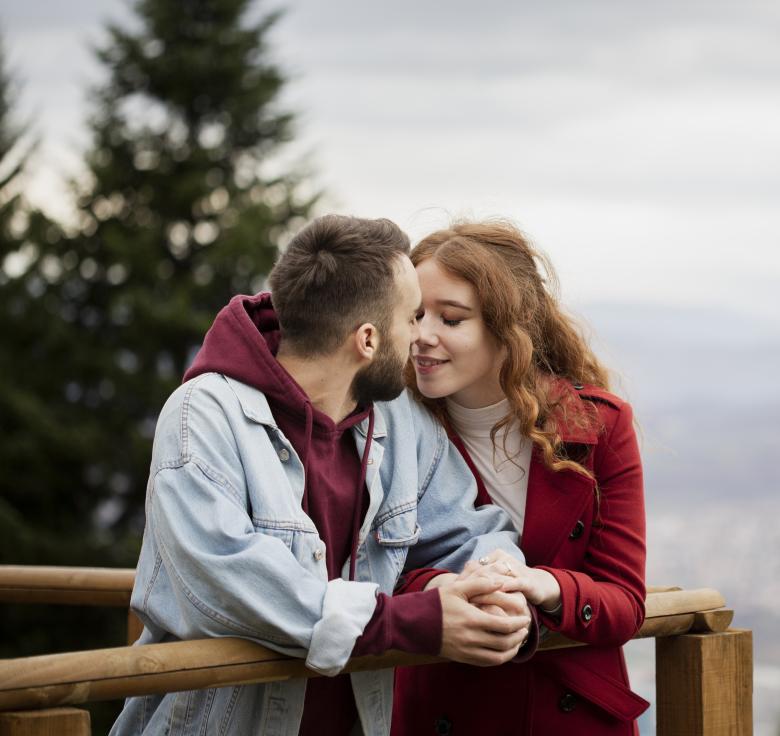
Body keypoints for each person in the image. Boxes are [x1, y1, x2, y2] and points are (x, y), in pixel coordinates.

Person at [110, 215, 534, 736]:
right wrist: (414, 623)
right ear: (368, 340)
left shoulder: (402, 421)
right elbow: (224, 582)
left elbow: (470, 532)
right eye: (411, 317)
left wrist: (502, 591)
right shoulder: (203, 414)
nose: (419, 336)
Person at [392, 221, 649, 736]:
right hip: (445, 704)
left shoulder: (598, 425)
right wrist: (447, 590)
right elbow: (375, 570)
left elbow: (625, 599)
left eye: (452, 319)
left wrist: (542, 584)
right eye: (415, 314)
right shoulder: (389, 427)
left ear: (507, 329)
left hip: (571, 715)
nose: (423, 335)